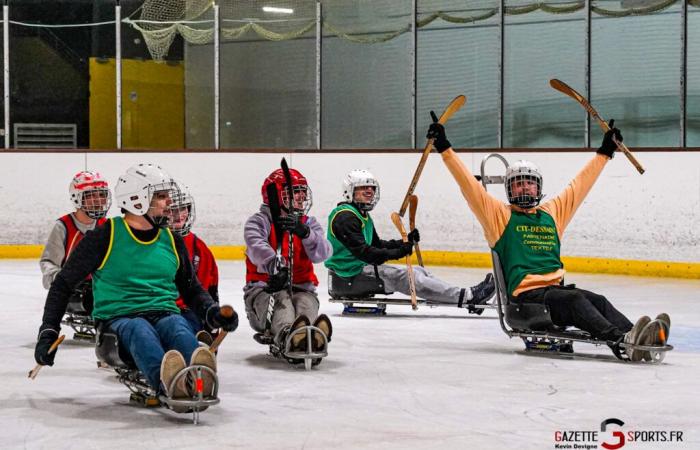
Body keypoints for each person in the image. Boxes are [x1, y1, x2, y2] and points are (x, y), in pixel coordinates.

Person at [428, 117, 669, 361]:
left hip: (554, 293)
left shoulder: (551, 214)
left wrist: (605, 152)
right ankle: (620, 340)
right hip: (526, 300)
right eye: (518, 184)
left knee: (597, 300)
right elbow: (470, 187)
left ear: (538, 187)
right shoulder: (499, 217)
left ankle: (636, 336)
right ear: (509, 190)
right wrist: (445, 148)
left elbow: (579, 186)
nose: (524, 189)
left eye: (529, 184)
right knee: (575, 299)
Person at [34, 163, 238, 402]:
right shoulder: (104, 236)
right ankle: (169, 384)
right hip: (118, 321)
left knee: (178, 327)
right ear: (137, 199)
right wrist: (48, 331)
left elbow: (191, 288)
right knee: (140, 330)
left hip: (163, 312)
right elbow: (63, 285)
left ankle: (197, 375)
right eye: (161, 197)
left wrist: (212, 312)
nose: (168, 203)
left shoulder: (171, 239)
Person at [325, 169, 495, 313]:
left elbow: (376, 245)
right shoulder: (345, 217)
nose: (369, 191)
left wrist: (404, 242)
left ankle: (464, 294)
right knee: (410, 276)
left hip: (358, 270)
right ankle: (469, 297)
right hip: (348, 276)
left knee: (419, 271)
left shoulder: (361, 215)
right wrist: (399, 252)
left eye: (371, 188)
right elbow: (367, 254)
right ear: (350, 191)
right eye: (363, 188)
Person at [244, 167, 332, 356]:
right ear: (275, 194)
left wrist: (306, 233)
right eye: (295, 191)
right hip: (266, 290)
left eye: (303, 191)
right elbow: (256, 247)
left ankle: (310, 335)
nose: (301, 196)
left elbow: (323, 253)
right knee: (283, 307)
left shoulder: (308, 223)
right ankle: (288, 338)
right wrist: (276, 266)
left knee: (305, 306)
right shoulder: (258, 222)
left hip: (302, 288)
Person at [39, 171, 111, 321]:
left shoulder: (108, 226)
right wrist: (60, 278)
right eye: (91, 195)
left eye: (102, 195)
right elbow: (48, 262)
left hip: (102, 287)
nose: (98, 200)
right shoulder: (63, 226)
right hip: (75, 288)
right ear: (77, 198)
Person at [168, 183, 220, 344]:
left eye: (183, 209)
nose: (179, 215)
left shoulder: (199, 248)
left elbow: (210, 290)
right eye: (173, 210)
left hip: (188, 312)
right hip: (158, 311)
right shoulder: (151, 243)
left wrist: (212, 321)